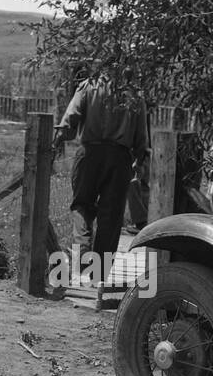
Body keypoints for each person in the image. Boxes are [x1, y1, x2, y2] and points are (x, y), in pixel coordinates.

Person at [53, 61, 149, 284]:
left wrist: (57, 139)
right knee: (111, 217)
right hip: (120, 159)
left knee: (81, 205)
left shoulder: (89, 86)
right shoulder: (135, 96)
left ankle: (84, 252)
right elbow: (141, 137)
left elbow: (70, 120)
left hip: (90, 154)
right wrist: (140, 162)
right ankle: (97, 277)